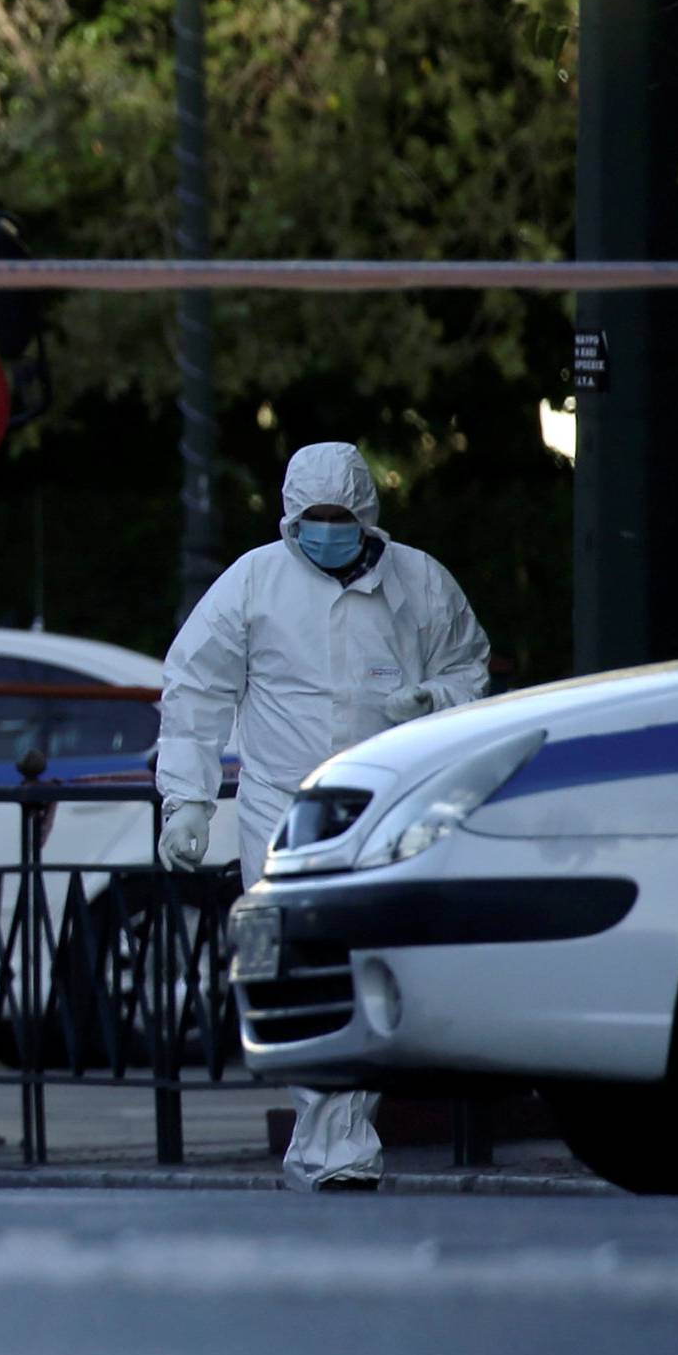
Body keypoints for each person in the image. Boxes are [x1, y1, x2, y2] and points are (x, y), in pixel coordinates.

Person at [155, 441, 490, 1190]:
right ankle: (337, 1148)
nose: (328, 530)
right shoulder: (254, 584)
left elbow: (467, 671)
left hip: (386, 806)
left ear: (366, 516)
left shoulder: (421, 585)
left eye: (340, 517)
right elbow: (195, 690)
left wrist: (431, 702)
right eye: (315, 518)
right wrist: (186, 800)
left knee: (365, 968)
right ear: (291, 517)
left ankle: (329, 1145)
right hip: (281, 807)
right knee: (299, 971)